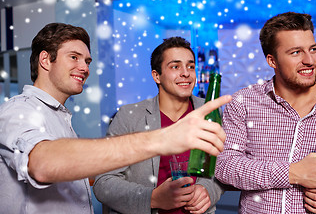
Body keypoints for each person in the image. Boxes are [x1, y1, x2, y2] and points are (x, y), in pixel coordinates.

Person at [0, 23, 231, 214]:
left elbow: (226, 168)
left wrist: (207, 190)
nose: (84, 68)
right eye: (74, 57)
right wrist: (161, 143)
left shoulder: (59, 116)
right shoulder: (18, 111)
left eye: (87, 61)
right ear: (45, 60)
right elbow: (43, 165)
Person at [215, 12, 316, 213]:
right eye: (296, 52)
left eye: (313, 49)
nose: (309, 60)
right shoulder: (243, 102)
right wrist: (292, 173)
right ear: (272, 61)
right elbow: (224, 166)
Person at [93, 37, 224, 214]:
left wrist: (208, 189)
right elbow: (104, 182)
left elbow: (224, 168)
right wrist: (152, 198)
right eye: (175, 66)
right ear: (157, 76)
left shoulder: (210, 112)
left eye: (191, 66)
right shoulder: (129, 117)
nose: (186, 73)